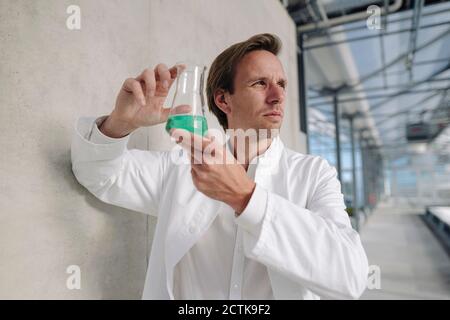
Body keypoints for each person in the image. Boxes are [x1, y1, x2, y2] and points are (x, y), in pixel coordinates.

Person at [71, 33, 369, 300]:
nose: (277, 96)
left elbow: (350, 275)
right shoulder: (181, 165)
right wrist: (120, 124)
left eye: (281, 84)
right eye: (260, 83)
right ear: (223, 100)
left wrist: (246, 198)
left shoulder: (314, 174)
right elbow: (99, 176)